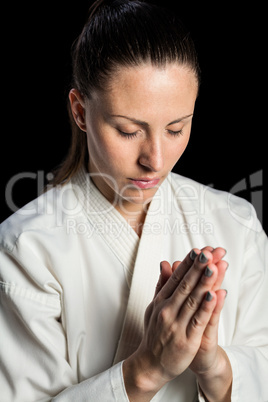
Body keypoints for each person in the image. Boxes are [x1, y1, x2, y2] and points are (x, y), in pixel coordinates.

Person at [0, 0, 267, 401]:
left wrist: (214, 365)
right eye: (128, 131)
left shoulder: (236, 222)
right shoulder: (26, 247)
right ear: (79, 111)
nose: (154, 160)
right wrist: (147, 369)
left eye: (176, 128)